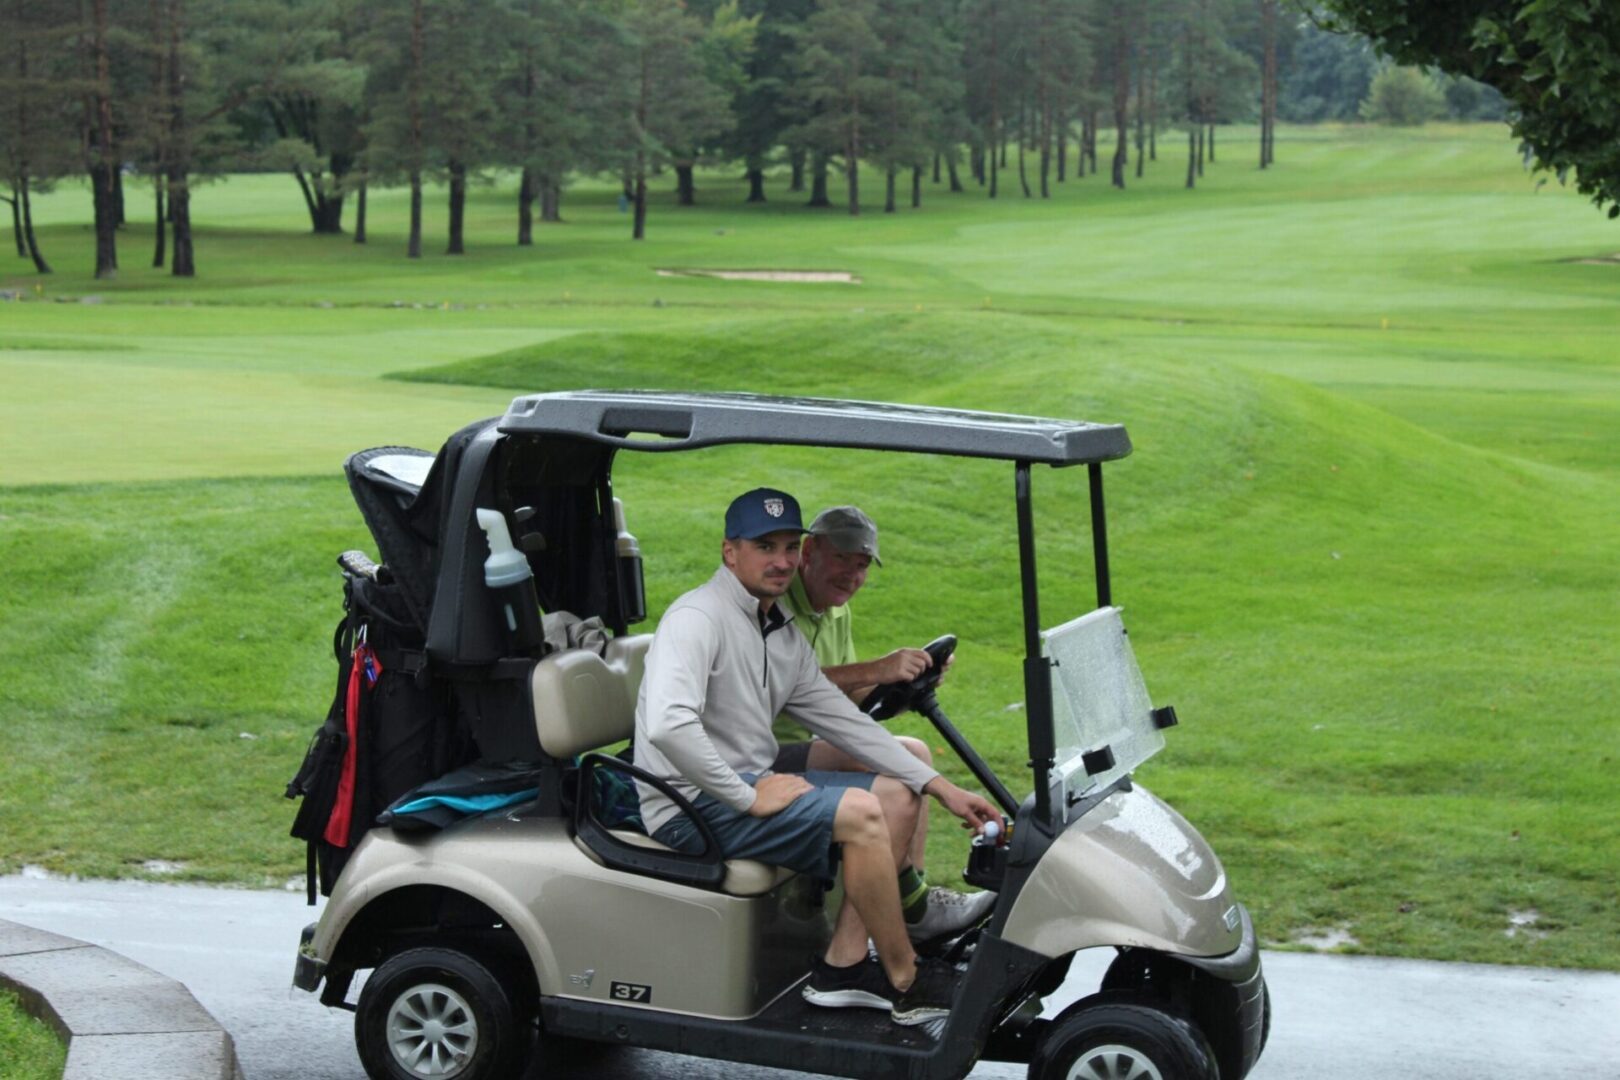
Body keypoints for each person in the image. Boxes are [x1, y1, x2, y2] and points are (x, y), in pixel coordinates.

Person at [634, 488, 1002, 1026]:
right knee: (862, 812)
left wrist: (941, 788)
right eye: (765, 546)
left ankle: (843, 965)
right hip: (687, 803)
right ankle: (907, 979)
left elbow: (843, 720)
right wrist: (746, 795)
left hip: (742, 786)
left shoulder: (775, 628)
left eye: (789, 546)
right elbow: (669, 726)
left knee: (897, 796)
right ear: (730, 551)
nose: (781, 561)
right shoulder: (697, 619)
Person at [772, 506, 995, 942]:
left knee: (915, 753)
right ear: (809, 552)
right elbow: (790, 690)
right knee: (898, 777)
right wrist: (877, 669)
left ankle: (913, 903)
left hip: (806, 744)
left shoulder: (834, 610)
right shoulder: (775, 606)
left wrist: (901, 685)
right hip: (761, 752)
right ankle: (912, 907)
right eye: (842, 560)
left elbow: (846, 696)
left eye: (861, 566)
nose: (852, 576)